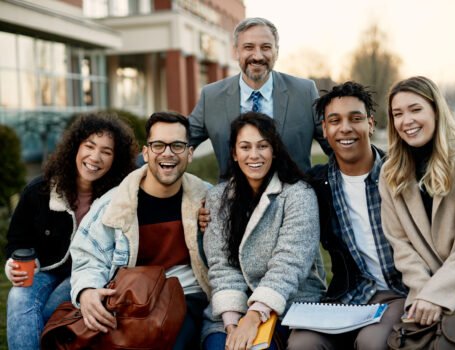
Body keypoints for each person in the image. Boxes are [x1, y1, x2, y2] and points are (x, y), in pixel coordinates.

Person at [70, 111, 211, 350]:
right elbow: (88, 256)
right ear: (146, 153)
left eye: (177, 145)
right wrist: (87, 290)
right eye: (158, 145)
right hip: (130, 300)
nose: (167, 153)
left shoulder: (208, 199)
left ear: (189, 153)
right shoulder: (114, 203)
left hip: (187, 297)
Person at [288, 82, 408, 350]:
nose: (345, 128)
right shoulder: (316, 185)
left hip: (399, 292)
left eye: (355, 119)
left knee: (372, 343)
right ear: (325, 131)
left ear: (370, 123)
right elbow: (277, 214)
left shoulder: (400, 173)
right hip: (348, 295)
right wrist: (210, 210)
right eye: (335, 121)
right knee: (301, 343)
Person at [5, 113, 137, 350]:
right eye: (89, 146)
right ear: (75, 147)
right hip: (44, 270)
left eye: (106, 152)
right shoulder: (40, 190)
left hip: (87, 274)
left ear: (115, 159)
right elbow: (16, 239)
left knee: (46, 314)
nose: (94, 157)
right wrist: (15, 265)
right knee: (18, 296)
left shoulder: (119, 198)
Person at [202, 112, 326, 350]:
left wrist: (255, 315)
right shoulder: (218, 198)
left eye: (263, 146)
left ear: (274, 151)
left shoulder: (298, 194)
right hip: (232, 307)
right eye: (245, 147)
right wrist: (232, 324)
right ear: (234, 154)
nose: (254, 155)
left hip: (289, 302)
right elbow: (221, 265)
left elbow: (289, 263)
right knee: (220, 346)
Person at [379, 76, 455, 327]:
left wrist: (438, 295)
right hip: (421, 294)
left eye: (416, 110)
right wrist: (425, 295)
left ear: (436, 111)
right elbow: (401, 246)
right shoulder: (390, 172)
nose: (407, 121)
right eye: (398, 114)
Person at [189, 17, 329, 178]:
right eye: (248, 47)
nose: (258, 56)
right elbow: (180, 142)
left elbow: (336, 147)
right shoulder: (211, 97)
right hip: (234, 200)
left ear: (276, 51)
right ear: (235, 51)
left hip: (296, 199)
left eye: (266, 47)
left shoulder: (304, 92)